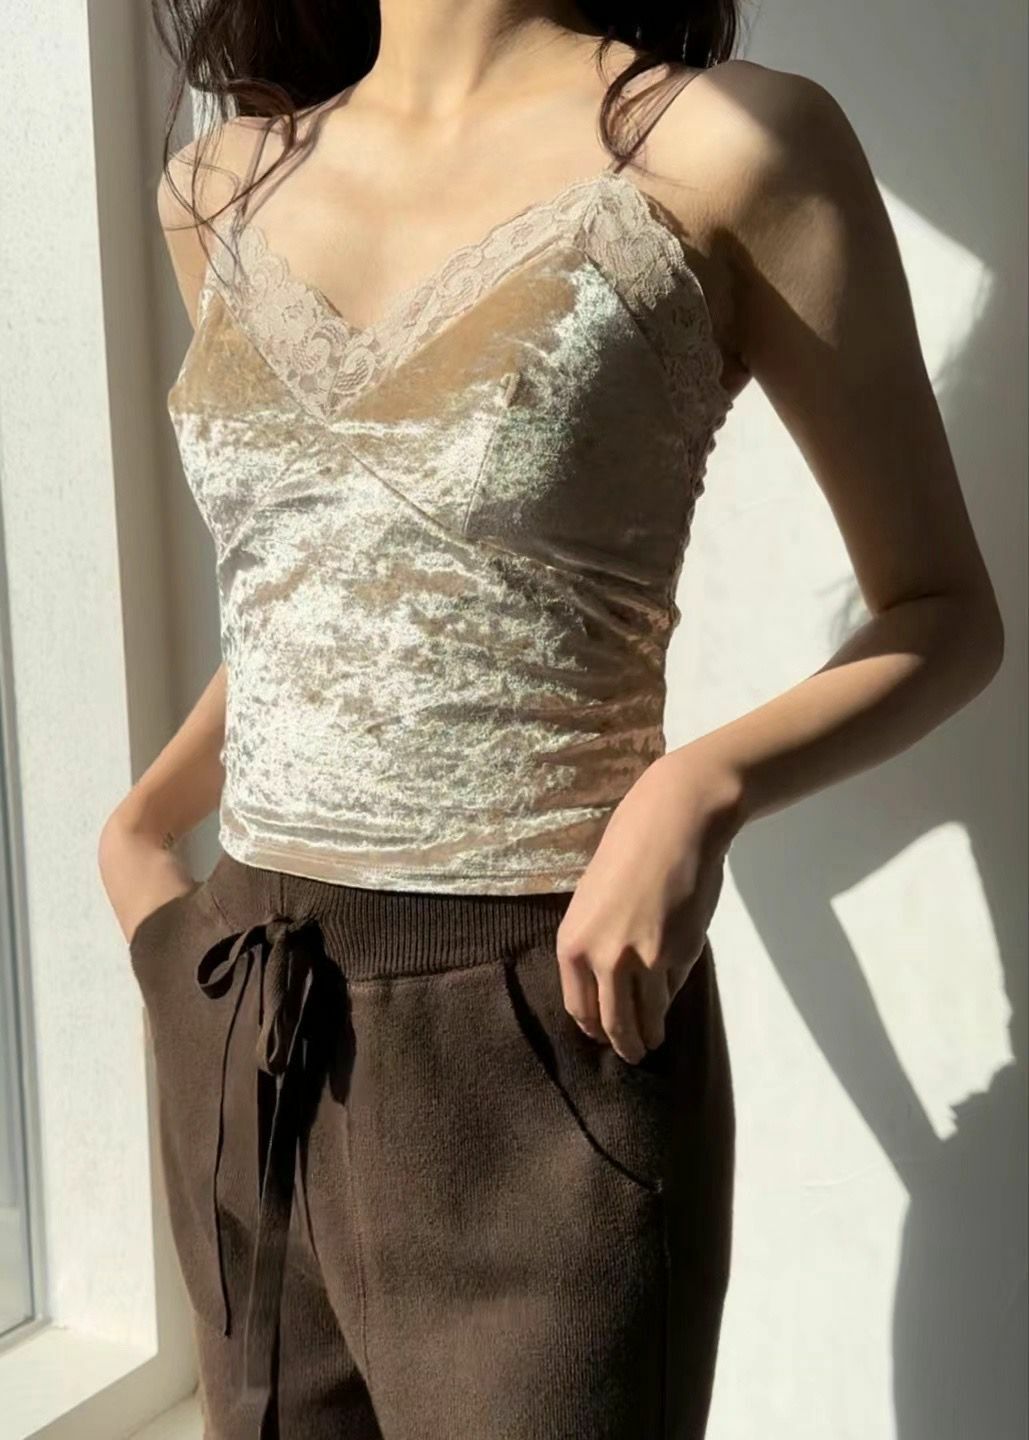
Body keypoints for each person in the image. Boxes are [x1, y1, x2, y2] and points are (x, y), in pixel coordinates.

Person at [97, 3, 1004, 1437]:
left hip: (541, 1053)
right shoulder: (220, 184)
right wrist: (143, 842)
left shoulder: (725, 147)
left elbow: (944, 612)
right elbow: (318, 579)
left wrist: (698, 788)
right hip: (248, 1018)